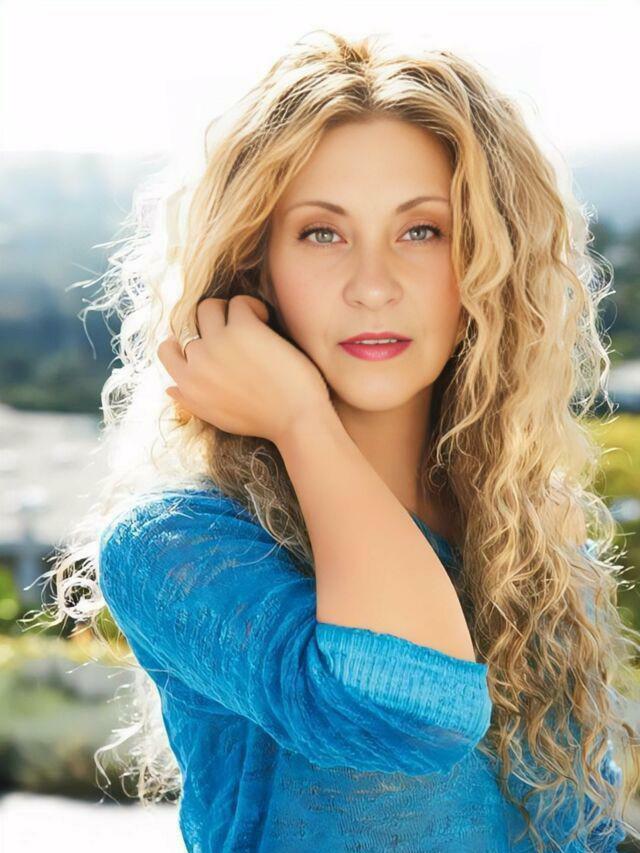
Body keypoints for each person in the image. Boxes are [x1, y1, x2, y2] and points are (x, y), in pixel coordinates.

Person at [36, 29, 639, 853]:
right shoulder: (178, 546)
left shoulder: (528, 538)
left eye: (422, 231)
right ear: (256, 266)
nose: (373, 285)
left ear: (489, 263)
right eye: (322, 233)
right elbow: (410, 714)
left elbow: (584, 831)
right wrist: (301, 419)